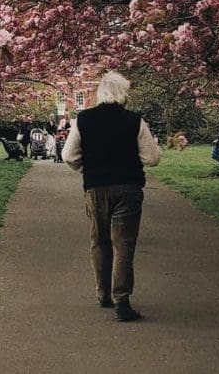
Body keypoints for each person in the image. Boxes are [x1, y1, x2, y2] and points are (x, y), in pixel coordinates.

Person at [62, 71, 162, 322]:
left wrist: (89, 168)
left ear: (101, 94)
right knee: (124, 243)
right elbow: (152, 158)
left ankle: (102, 292)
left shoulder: (83, 120)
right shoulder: (134, 121)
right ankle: (122, 300)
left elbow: (68, 156)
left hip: (96, 188)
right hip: (128, 189)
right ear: (123, 94)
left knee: (99, 241)